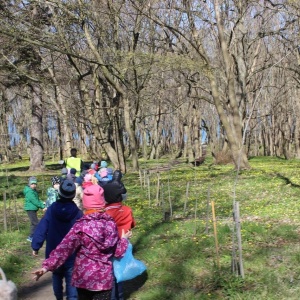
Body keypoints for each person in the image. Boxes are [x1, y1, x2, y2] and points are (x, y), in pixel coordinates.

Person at [32, 184, 132, 300]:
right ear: (102, 202)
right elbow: (118, 253)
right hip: (103, 280)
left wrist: (46, 267)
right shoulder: (111, 225)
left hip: (83, 279)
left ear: (85, 203)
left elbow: (64, 249)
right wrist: (124, 239)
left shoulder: (80, 226)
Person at [32, 179, 83, 300]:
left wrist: (36, 246)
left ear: (59, 193)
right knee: (71, 279)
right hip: (72, 253)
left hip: (53, 251)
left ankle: (59, 297)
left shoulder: (51, 210)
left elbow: (42, 228)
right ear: (73, 195)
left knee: (56, 275)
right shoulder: (78, 213)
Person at [103, 173, 135, 300]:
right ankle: (120, 296)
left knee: (111, 274)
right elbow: (132, 224)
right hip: (125, 244)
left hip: (110, 246)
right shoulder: (127, 210)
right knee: (119, 274)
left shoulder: (105, 212)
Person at [23, 176, 46, 242]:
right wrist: (42, 206)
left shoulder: (33, 191)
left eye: (35, 184)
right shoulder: (29, 192)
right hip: (30, 209)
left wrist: (42, 203)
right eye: (32, 184)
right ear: (29, 184)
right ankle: (31, 236)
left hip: (33, 208)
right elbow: (35, 201)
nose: (34, 185)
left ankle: (31, 236)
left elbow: (37, 200)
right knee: (35, 223)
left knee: (33, 223)